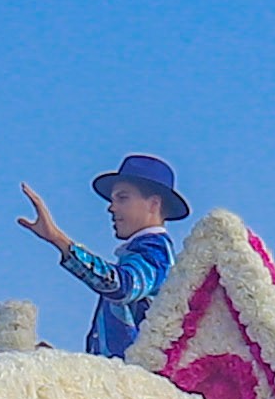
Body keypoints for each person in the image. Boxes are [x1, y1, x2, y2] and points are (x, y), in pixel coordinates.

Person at [11, 155, 185, 365]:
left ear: (153, 204)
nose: (111, 208)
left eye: (122, 198)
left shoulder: (157, 252)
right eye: (113, 200)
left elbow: (122, 286)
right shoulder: (143, 252)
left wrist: (58, 239)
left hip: (134, 385)